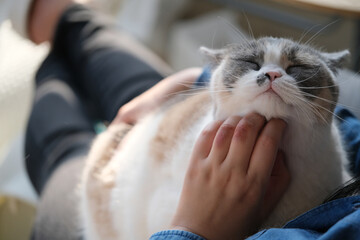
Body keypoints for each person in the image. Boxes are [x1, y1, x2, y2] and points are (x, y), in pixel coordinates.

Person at [8, 0, 359, 239]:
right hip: (186, 112)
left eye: (295, 70)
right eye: (257, 65)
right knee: (111, 59)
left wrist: (195, 230)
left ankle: (52, 43)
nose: (271, 75)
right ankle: (64, 21)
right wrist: (197, 78)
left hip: (113, 206)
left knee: (63, 136)